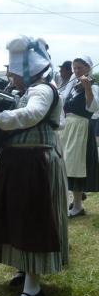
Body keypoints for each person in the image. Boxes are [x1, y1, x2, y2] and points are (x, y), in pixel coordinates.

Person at [0, 36, 68, 296]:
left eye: (14, 71)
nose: (10, 75)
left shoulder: (43, 91)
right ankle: (26, 272)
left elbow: (31, 115)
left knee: (33, 222)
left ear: (28, 71)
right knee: (16, 219)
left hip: (36, 165)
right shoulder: (23, 90)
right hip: (19, 164)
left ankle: (34, 288)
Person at [60, 56, 99, 217]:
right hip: (69, 128)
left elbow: (93, 107)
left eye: (80, 68)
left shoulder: (93, 85)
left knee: (76, 166)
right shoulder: (72, 85)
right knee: (68, 165)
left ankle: (78, 206)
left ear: (88, 68)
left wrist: (88, 88)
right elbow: (62, 102)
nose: (76, 71)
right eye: (74, 68)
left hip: (81, 128)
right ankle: (75, 202)